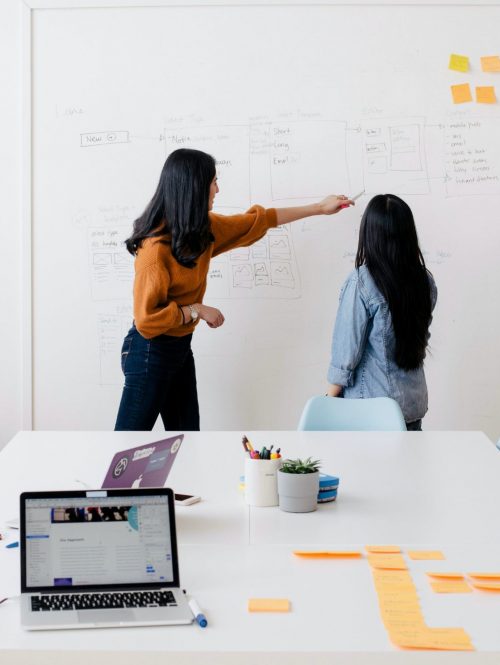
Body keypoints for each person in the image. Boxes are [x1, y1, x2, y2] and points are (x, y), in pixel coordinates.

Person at [115, 148, 353, 431]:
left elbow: (259, 220)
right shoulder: (154, 251)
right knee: (129, 446)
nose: (217, 189)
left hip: (178, 348)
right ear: (193, 188)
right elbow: (146, 321)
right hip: (148, 351)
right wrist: (196, 310)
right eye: (213, 182)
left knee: (187, 441)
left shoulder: (200, 230)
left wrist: (319, 208)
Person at [326, 194, 437, 430]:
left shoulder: (362, 282)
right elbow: (419, 340)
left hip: (370, 412)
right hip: (411, 407)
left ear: (370, 233)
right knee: (407, 468)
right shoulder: (424, 281)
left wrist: (327, 402)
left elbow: (345, 355)